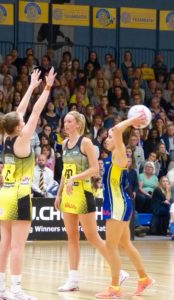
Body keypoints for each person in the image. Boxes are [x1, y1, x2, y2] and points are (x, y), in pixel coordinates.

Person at [0, 69, 55, 300]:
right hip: (19, 195)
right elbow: (36, 110)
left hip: (5, 193)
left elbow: (20, 110)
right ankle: (16, 290)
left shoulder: (7, 136)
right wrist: (47, 87)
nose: (23, 118)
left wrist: (30, 86)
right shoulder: (22, 138)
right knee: (18, 247)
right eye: (21, 121)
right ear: (19, 127)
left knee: (4, 245)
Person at [54, 109, 129, 292]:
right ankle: (73, 279)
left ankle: (118, 271)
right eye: (65, 121)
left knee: (92, 236)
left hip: (84, 193)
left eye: (70, 121)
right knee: (71, 237)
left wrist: (75, 178)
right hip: (68, 193)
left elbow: (95, 169)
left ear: (78, 124)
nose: (66, 124)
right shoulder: (64, 144)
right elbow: (65, 171)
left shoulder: (85, 142)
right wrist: (59, 192)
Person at [96, 113, 154, 298]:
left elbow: (116, 129)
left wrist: (133, 121)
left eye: (110, 137)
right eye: (106, 137)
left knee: (110, 247)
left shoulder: (120, 154)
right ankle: (144, 279)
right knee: (125, 244)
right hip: (119, 203)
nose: (108, 138)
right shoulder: (110, 158)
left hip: (118, 205)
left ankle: (114, 287)